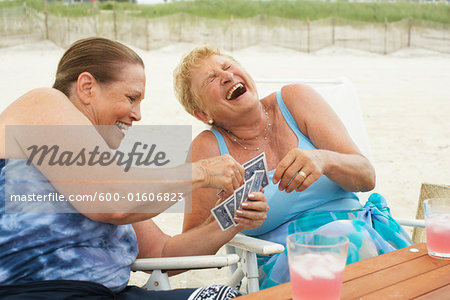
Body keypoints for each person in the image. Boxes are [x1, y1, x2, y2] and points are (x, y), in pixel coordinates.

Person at [0, 37, 270, 299]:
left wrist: (233, 219)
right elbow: (113, 202)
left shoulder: (108, 169)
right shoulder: (41, 103)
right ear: (86, 87)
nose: (138, 114)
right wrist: (202, 172)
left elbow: (162, 254)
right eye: (131, 98)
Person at [173, 45, 413, 289]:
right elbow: (189, 250)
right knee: (347, 243)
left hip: (364, 237)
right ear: (202, 114)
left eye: (227, 66)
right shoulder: (207, 148)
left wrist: (325, 159)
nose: (226, 76)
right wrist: (231, 217)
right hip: (287, 262)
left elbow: (366, 176)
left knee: (351, 239)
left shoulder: (295, 100)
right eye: (211, 79)